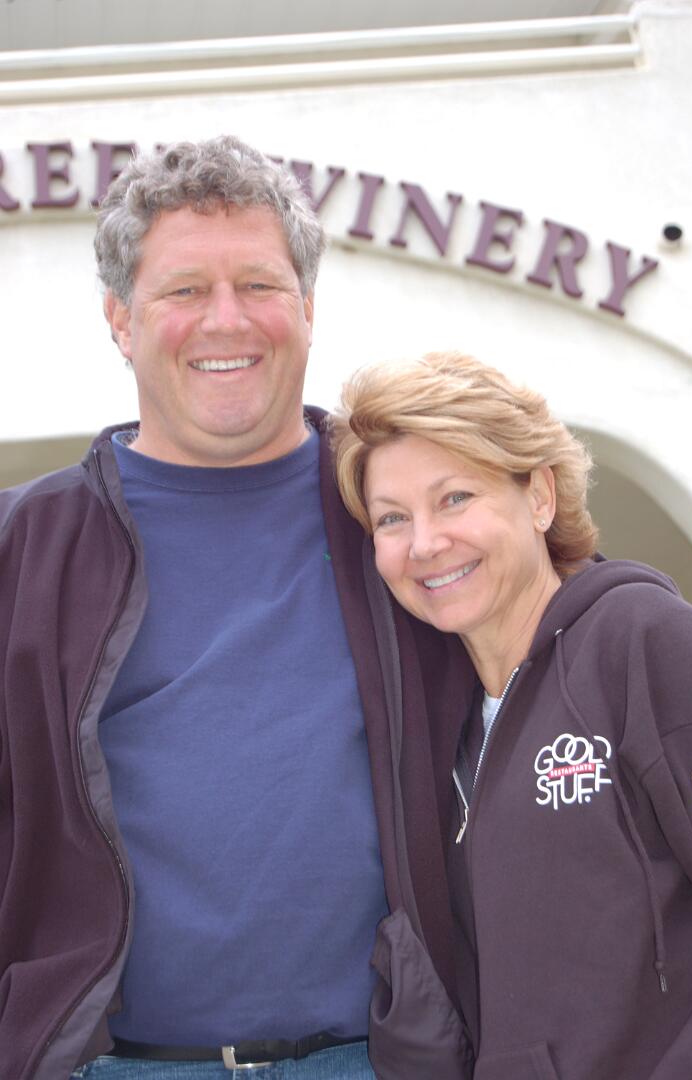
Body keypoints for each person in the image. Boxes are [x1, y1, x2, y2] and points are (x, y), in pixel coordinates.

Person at [0, 139, 476, 1080]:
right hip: (113, 1067)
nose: (226, 319)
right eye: (184, 291)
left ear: (307, 308)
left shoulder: (401, 509)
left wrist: (685, 724)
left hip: (379, 1058)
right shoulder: (26, 548)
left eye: (259, 285)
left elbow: (573, 623)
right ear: (121, 320)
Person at [332, 351, 692, 1079]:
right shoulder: (444, 725)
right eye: (392, 518)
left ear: (539, 496)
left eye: (455, 498)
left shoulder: (643, 640)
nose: (425, 543)